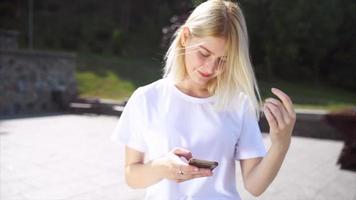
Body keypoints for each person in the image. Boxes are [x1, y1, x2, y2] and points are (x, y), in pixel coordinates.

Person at [111, 0, 296, 199]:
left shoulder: (238, 104)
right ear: (185, 37)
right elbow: (132, 175)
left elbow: (254, 186)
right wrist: (162, 167)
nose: (210, 68)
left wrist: (280, 144)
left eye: (223, 60)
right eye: (204, 53)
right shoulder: (147, 98)